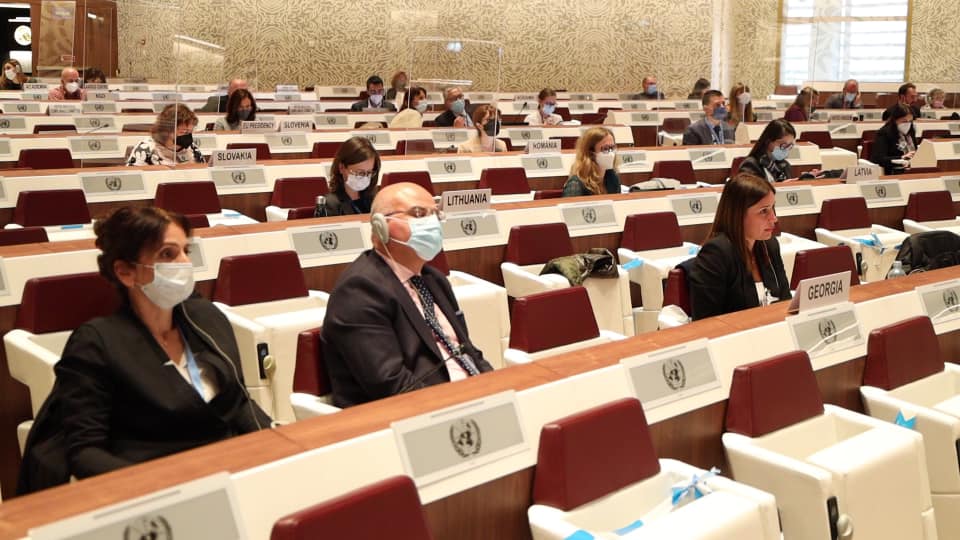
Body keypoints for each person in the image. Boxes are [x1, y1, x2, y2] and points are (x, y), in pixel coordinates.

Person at [18, 206, 271, 487]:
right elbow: (85, 452)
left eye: (186, 251)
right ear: (126, 272)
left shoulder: (205, 319)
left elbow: (239, 402)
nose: (184, 262)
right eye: (168, 254)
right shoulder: (96, 342)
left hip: (230, 470)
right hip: (151, 484)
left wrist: (277, 443)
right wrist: (157, 485)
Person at [322, 182, 493, 407]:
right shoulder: (359, 290)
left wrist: (497, 388)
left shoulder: (434, 279)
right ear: (381, 227)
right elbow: (392, 385)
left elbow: (468, 352)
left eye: (435, 214)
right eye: (419, 214)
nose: (432, 223)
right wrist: (460, 404)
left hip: (470, 399)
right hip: (413, 413)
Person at [688, 174, 791, 320]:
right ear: (738, 214)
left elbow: (785, 302)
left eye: (773, 208)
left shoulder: (769, 245)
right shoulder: (716, 254)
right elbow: (706, 322)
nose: (774, 218)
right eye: (764, 211)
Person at [126, 104, 203, 166]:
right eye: (184, 132)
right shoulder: (145, 149)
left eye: (191, 131)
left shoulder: (192, 148)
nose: (188, 136)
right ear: (168, 130)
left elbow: (203, 173)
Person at [322, 137, 381, 216]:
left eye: (369, 172)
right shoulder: (329, 204)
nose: (365, 177)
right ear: (342, 168)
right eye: (360, 173)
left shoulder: (375, 199)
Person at [562, 126, 621, 197]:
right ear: (591, 153)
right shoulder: (575, 184)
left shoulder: (612, 177)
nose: (611, 153)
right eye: (605, 149)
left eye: (612, 148)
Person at [871, 103, 916, 175]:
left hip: (912, 169)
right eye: (904, 121)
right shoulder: (884, 133)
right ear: (895, 120)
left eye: (910, 121)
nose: (908, 124)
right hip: (893, 171)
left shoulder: (911, 133)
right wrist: (901, 157)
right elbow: (879, 159)